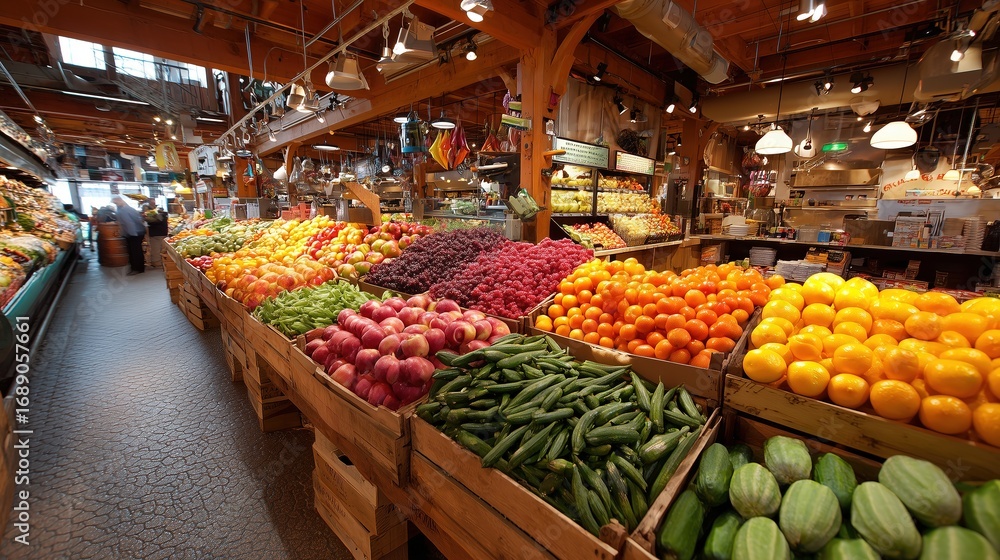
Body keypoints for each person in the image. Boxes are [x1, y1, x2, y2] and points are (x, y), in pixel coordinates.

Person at [112, 196, 146, 275]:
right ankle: (136, 267)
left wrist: (132, 234)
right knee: (133, 251)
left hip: (135, 233)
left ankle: (138, 268)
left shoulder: (126, 209)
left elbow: (130, 222)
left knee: (135, 251)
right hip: (133, 233)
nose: (116, 204)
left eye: (116, 202)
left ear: (120, 201)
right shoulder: (123, 209)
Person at [144, 199, 169, 268]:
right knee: (161, 248)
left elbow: (156, 221)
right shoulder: (161, 213)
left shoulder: (156, 214)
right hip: (162, 232)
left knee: (156, 248)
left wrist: (145, 219)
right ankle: (161, 262)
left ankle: (157, 263)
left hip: (157, 234)